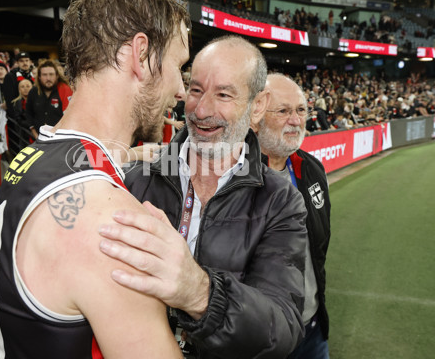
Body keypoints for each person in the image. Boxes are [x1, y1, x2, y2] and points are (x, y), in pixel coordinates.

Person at [0, 0, 190, 358]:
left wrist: (131, 153)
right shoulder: (111, 223)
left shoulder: (37, 156)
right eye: (178, 67)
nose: (181, 89)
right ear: (142, 54)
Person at [99, 36, 308, 358]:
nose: (201, 108)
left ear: (258, 105)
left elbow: (281, 329)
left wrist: (198, 292)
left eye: (224, 94)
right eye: (195, 90)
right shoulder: (134, 179)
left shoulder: (280, 201)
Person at [255, 73, 331, 359]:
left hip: (312, 332)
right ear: (256, 113)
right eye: (284, 111)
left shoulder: (312, 170)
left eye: (301, 110)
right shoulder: (233, 177)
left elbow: (319, 251)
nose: (296, 120)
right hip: (261, 341)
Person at [25, 60, 73, 139]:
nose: (48, 78)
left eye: (51, 74)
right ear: (39, 77)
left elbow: (69, 116)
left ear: (57, 76)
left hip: (59, 139)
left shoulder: (65, 90)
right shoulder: (33, 92)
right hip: (37, 139)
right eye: (44, 75)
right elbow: (29, 113)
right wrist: (34, 133)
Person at [2, 51, 34, 119]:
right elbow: (9, 99)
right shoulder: (10, 76)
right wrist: (16, 118)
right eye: (21, 61)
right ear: (17, 63)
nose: (25, 63)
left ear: (30, 62)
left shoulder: (34, 76)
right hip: (18, 116)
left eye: (26, 60)